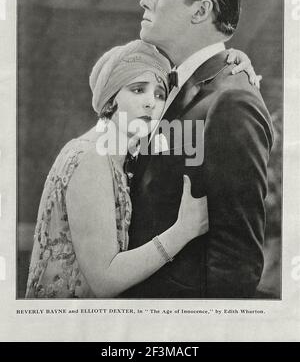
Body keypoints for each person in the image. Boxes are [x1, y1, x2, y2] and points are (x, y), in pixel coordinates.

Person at [25, 36, 258, 299]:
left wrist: (230, 63)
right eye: (138, 90)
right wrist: (183, 231)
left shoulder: (125, 153)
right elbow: (105, 281)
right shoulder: (92, 157)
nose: (151, 102)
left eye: (159, 95)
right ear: (110, 99)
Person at [122, 0, 274, 298]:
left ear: (201, 11)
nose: (145, 0)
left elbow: (237, 259)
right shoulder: (162, 84)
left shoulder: (232, 102)